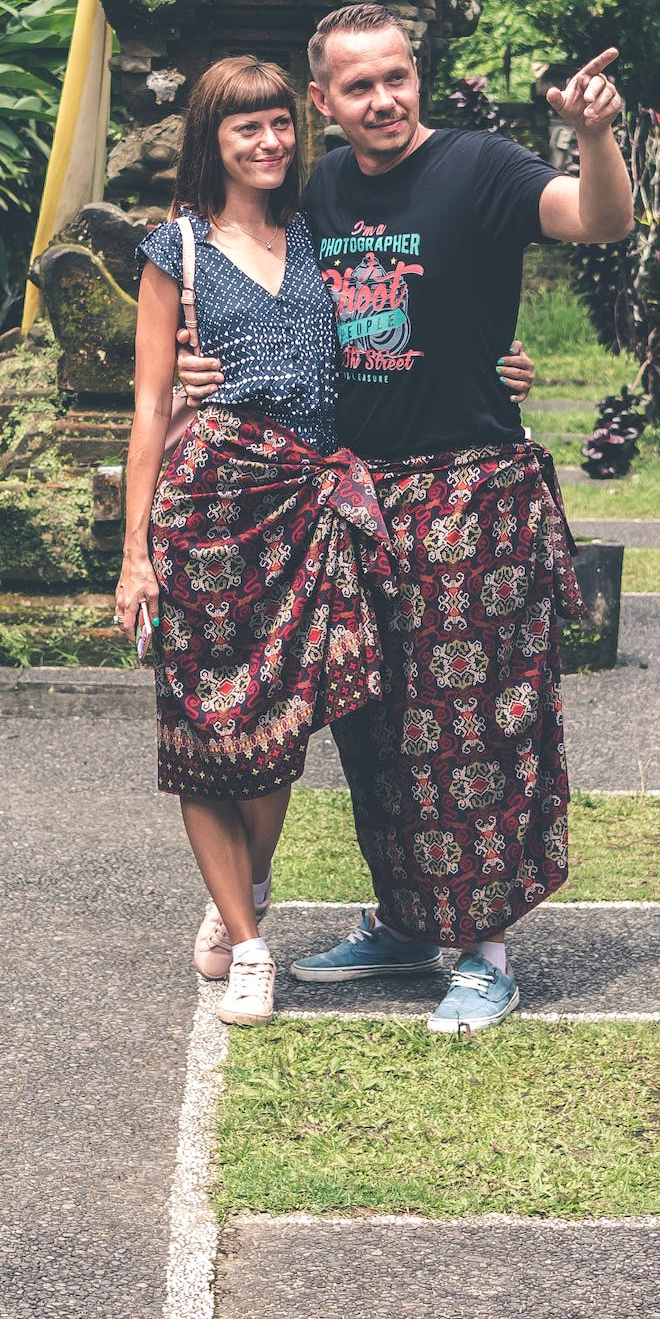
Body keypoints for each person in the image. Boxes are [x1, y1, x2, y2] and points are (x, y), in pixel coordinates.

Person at [188, 6, 633, 1035]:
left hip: (469, 489)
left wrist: (598, 136)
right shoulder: (320, 188)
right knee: (371, 723)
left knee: (473, 728)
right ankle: (403, 920)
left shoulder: (482, 167)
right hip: (347, 495)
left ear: (417, 77)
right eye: (358, 87)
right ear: (322, 102)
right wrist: (192, 358)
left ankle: (484, 950)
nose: (383, 101)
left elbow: (597, 220)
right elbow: (234, 257)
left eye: (397, 78)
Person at [112, 56, 540, 1030]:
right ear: (210, 142)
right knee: (203, 735)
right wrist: (135, 551)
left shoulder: (316, 236)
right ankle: (252, 944)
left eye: (277, 126)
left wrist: (495, 365)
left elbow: (403, 328)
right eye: (244, 130)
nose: (268, 144)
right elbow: (146, 407)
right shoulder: (173, 248)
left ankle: (245, 897)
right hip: (209, 508)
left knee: (280, 736)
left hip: (306, 512)